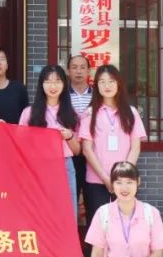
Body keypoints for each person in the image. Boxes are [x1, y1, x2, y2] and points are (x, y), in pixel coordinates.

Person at [77, 65, 146, 229]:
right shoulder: (89, 113)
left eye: (111, 81)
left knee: (124, 224)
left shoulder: (131, 112)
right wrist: (105, 178)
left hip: (124, 181)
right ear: (96, 86)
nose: (107, 86)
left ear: (119, 84)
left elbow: (135, 147)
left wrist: (123, 176)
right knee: (98, 226)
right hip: (96, 180)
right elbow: (87, 149)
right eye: (102, 82)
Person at [19, 65, 80, 209]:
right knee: (39, 209)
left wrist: (69, 136)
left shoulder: (71, 113)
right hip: (37, 166)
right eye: (48, 81)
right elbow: (20, 145)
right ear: (41, 85)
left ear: (64, 84)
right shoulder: (29, 113)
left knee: (66, 208)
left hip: (64, 165)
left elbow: (77, 150)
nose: (53, 86)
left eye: (57, 81)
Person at [68, 54, 93, 220]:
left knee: (93, 197)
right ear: (68, 71)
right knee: (71, 195)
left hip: (94, 154)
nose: (78, 71)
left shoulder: (98, 95)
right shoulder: (61, 95)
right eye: (74, 67)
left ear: (89, 71)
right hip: (70, 153)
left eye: (82, 67)